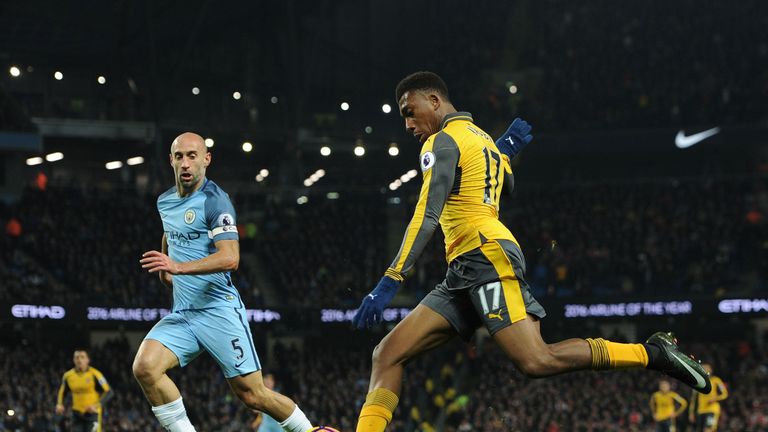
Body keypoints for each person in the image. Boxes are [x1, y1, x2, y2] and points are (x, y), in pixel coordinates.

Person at [351, 71, 711, 432]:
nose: (408, 124)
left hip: (484, 256)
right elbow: (502, 185)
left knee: (536, 360)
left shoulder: (441, 143)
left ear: (434, 100)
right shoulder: (482, 141)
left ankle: (652, 354)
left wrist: (391, 278)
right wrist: (502, 150)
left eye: (410, 111)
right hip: (465, 266)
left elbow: (428, 211)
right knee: (387, 354)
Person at [133, 132, 313, 432]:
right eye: (179, 156)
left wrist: (176, 266)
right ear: (171, 161)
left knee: (253, 395)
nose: (186, 163)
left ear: (207, 159)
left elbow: (230, 257)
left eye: (193, 156)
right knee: (145, 368)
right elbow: (170, 232)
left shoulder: (215, 201)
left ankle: (310, 431)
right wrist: (167, 264)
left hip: (218, 310)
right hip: (184, 315)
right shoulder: (164, 200)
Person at [56, 349, 113, 432]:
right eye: (77, 357)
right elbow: (62, 391)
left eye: (82, 357)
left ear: (88, 360)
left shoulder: (95, 374)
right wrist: (59, 404)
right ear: (73, 360)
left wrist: (96, 405)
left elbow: (109, 392)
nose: (79, 360)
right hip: (77, 414)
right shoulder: (68, 376)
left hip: (92, 414)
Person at [689, 364, 728, 432]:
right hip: (700, 410)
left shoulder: (716, 380)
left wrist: (715, 398)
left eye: (707, 368)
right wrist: (691, 413)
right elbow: (693, 400)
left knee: (708, 429)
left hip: (712, 409)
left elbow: (725, 394)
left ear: (711, 370)